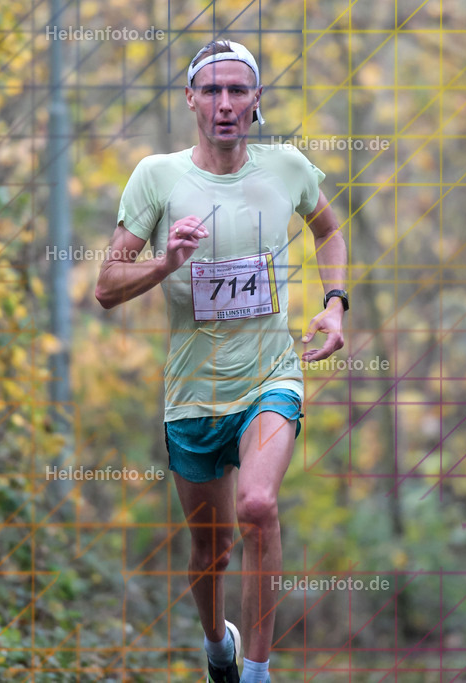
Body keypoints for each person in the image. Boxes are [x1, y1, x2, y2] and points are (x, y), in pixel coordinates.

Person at [94, 39, 349, 683]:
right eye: (212, 91)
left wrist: (335, 303)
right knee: (213, 549)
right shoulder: (158, 177)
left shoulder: (287, 167)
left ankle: (259, 673)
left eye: (239, 90)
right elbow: (104, 286)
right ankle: (218, 648)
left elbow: (329, 230)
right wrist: (167, 263)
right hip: (192, 395)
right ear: (190, 100)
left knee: (258, 506)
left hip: (270, 376)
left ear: (257, 99)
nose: (226, 104)